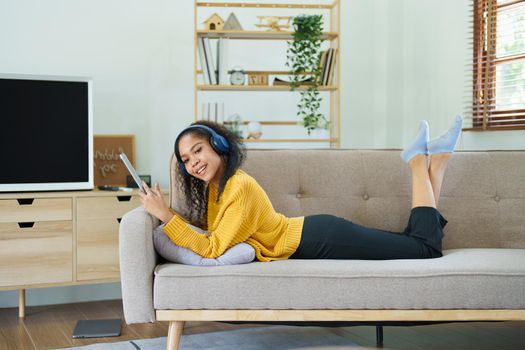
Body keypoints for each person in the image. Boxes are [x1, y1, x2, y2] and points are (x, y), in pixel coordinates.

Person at [139, 116, 463, 262]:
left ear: (218, 146)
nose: (192, 162)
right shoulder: (216, 189)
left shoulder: (239, 186)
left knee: (425, 250)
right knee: (413, 244)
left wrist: (166, 216)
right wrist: (171, 216)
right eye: (185, 159)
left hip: (320, 238)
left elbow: (213, 249)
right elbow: (215, 236)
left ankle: (419, 164)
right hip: (314, 235)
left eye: (198, 150)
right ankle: (438, 164)